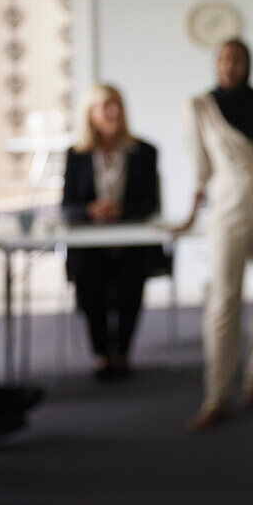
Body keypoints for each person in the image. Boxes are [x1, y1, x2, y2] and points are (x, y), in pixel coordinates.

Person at [175, 39, 253, 431]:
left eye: (238, 58)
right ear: (215, 64)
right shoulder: (200, 106)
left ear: (249, 63)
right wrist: (188, 215)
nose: (230, 65)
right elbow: (200, 166)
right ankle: (218, 391)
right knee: (223, 297)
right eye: (223, 58)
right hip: (227, 197)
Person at [62, 84, 165, 380]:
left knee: (131, 284)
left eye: (117, 104)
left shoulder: (144, 152)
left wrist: (121, 210)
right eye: (106, 106)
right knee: (88, 283)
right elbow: (68, 205)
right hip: (90, 246)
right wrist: (92, 210)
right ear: (90, 114)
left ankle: (121, 351)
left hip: (131, 244)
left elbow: (150, 203)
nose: (114, 112)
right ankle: (101, 353)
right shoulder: (76, 154)